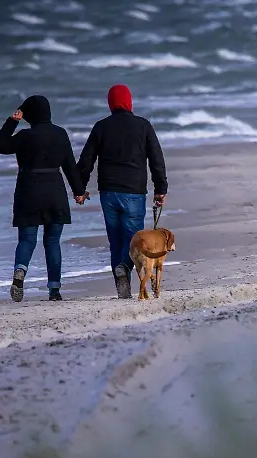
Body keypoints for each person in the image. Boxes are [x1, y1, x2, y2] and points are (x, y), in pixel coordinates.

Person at [77, 84, 168, 299]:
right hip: (134, 192)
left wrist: (79, 188)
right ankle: (124, 269)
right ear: (129, 101)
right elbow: (157, 158)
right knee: (132, 238)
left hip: (108, 192)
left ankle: (122, 285)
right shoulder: (143, 126)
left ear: (110, 103)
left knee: (115, 240)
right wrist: (160, 189)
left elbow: (86, 160)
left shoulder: (101, 127)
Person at [0, 95, 84, 302]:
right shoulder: (60, 134)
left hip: (28, 190)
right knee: (52, 241)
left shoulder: (25, 136)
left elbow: (1, 146)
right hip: (54, 190)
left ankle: (20, 271)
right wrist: (78, 191)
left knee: (27, 240)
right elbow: (70, 166)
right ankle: (54, 290)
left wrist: (12, 121)